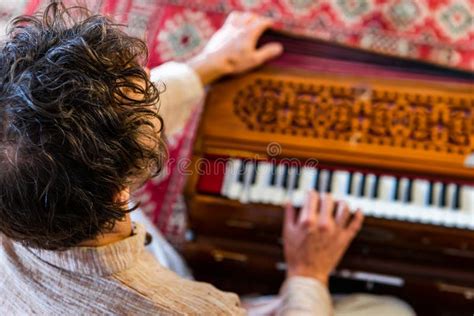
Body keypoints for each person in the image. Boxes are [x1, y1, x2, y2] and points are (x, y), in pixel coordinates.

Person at [0, 2, 414, 315]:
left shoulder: (21, 172)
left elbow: (63, 132)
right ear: (119, 190)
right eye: (145, 87)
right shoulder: (186, 309)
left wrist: (202, 67)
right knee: (393, 311)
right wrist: (309, 273)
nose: (151, 84)